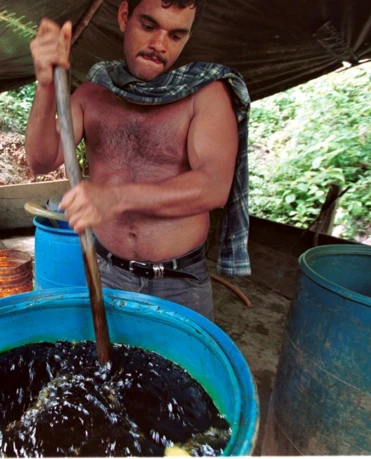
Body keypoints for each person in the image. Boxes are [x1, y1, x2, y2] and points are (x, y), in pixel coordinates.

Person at [25, 0, 251, 321]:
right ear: (123, 16)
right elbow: (40, 160)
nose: (159, 45)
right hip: (105, 273)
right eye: (149, 26)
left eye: (176, 35)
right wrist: (46, 84)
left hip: (180, 284)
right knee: (107, 368)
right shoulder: (92, 94)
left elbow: (213, 186)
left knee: (181, 371)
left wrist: (115, 198)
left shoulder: (205, 94)